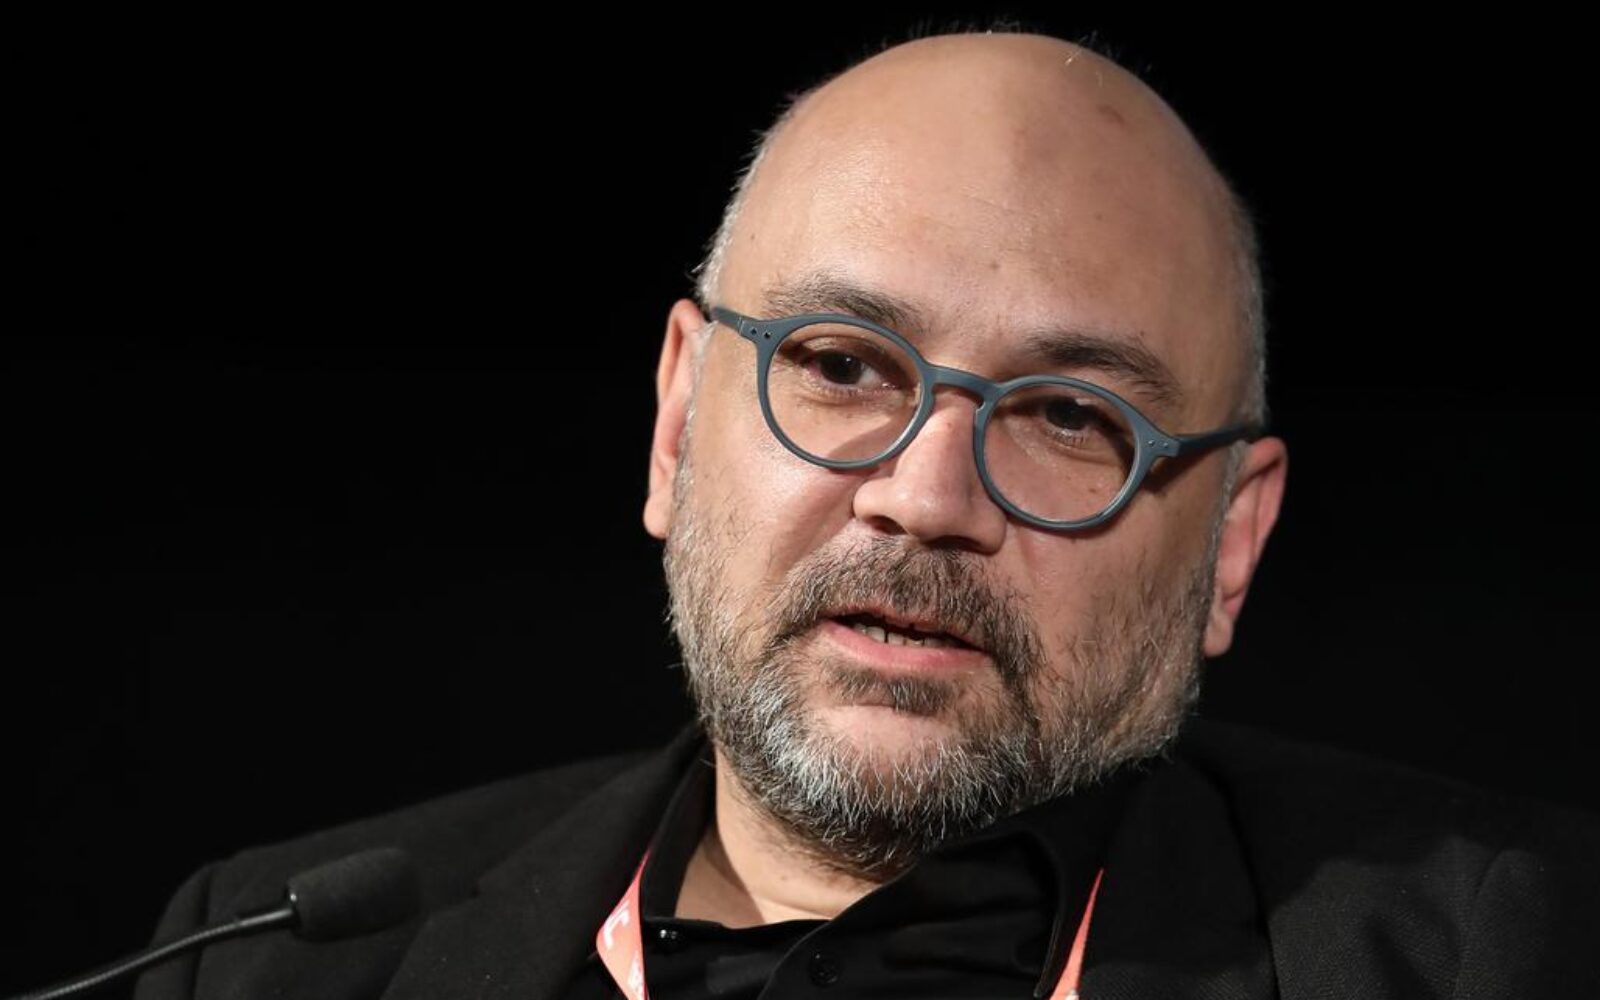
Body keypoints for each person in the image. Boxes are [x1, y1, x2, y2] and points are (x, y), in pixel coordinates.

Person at [132, 28, 1598, 1000]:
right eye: (840, 367)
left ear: (1231, 541)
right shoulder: (263, 960)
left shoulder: (1512, 952)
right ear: (678, 423)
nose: (926, 497)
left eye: (1070, 418)